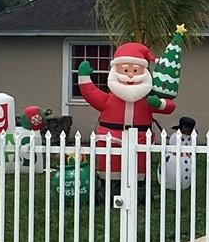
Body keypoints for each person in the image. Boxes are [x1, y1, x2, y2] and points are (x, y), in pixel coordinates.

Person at [75, 42, 176, 176]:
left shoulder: (147, 99)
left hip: (140, 138)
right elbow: (91, 94)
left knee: (138, 169)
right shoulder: (108, 100)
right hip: (111, 137)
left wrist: (159, 103)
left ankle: (139, 189)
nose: (130, 75)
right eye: (125, 70)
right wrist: (84, 78)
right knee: (111, 168)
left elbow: (170, 107)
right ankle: (109, 187)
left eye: (135, 70)